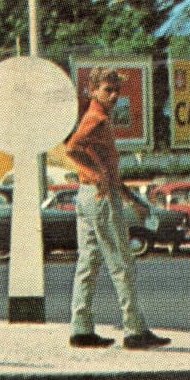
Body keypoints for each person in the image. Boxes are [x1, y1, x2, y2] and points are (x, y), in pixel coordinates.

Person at [62, 70, 170, 350]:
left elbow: (107, 171)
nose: (113, 95)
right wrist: (96, 173)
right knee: (121, 262)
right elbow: (72, 148)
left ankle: (81, 328)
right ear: (93, 90)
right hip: (99, 197)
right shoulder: (96, 119)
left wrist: (131, 199)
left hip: (88, 195)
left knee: (88, 262)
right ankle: (134, 329)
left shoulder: (98, 118)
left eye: (116, 90)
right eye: (107, 89)